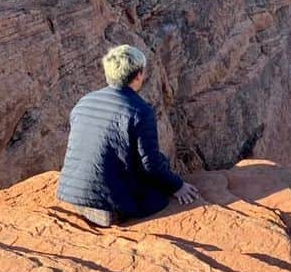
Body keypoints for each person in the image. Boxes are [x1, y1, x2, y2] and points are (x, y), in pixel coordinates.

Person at [57, 44, 201, 226]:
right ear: (139, 75)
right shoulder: (140, 111)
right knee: (159, 172)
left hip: (72, 194)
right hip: (108, 207)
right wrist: (177, 185)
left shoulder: (85, 101)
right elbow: (151, 165)